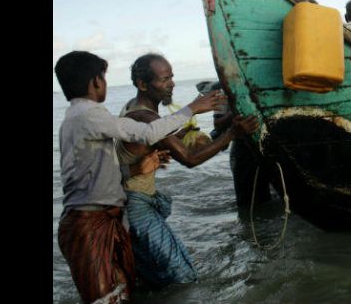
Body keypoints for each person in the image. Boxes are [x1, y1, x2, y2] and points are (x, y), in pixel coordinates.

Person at [54, 51, 225, 303]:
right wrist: (193, 109)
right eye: (103, 77)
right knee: (110, 297)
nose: (171, 83)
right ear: (96, 82)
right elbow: (147, 134)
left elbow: (94, 170)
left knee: (125, 290)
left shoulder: (74, 118)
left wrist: (134, 170)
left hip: (98, 216)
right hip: (91, 222)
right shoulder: (91, 114)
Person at [116, 54, 260, 288]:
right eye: (164, 79)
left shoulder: (133, 108)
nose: (171, 83)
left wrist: (178, 135)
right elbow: (190, 159)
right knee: (181, 277)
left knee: (154, 276)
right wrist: (232, 134)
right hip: (136, 208)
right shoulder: (143, 116)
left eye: (172, 77)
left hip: (132, 204)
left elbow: (155, 138)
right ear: (143, 85)